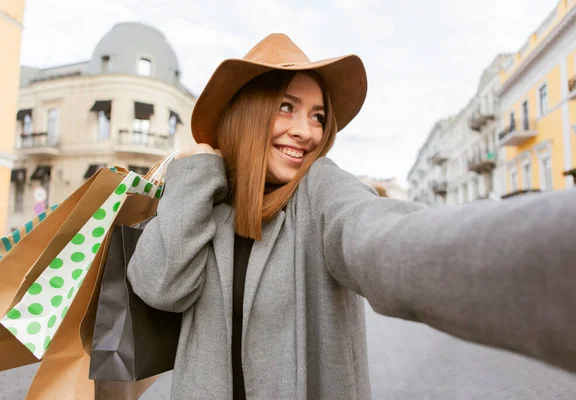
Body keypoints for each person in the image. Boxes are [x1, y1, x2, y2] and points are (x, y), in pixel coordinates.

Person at [127, 33, 576, 400]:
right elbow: (160, 287)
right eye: (287, 106)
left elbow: (381, 236)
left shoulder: (322, 188)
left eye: (318, 116)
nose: (307, 131)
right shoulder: (206, 204)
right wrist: (198, 172)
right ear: (247, 112)